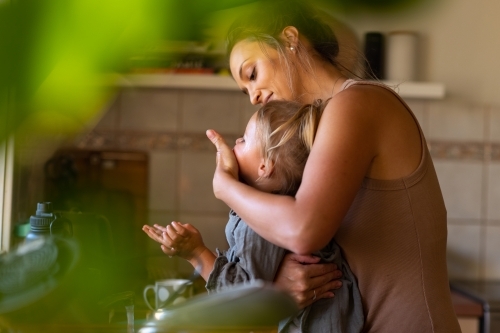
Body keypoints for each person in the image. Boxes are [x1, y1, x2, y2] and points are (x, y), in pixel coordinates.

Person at [202, 0, 461, 332]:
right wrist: (287, 281)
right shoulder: (317, 132)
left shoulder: (357, 103)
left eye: (252, 74)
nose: (252, 96)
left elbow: (303, 229)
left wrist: (225, 186)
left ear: (290, 39)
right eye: (245, 89)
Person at [143, 99, 364, 332]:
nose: (236, 142)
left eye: (245, 139)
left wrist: (196, 253)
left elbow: (242, 299)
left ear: (264, 167)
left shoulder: (261, 223)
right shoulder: (284, 209)